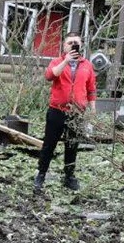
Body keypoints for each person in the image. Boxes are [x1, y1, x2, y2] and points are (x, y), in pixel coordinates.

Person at [35, 34, 96, 193]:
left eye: (76, 42)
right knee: (49, 144)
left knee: (72, 145)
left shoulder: (87, 65)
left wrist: (92, 109)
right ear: (64, 46)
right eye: (70, 42)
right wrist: (66, 61)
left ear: (81, 45)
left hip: (77, 113)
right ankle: (41, 174)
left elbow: (91, 89)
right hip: (57, 110)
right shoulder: (57, 62)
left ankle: (69, 176)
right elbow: (50, 75)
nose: (73, 44)